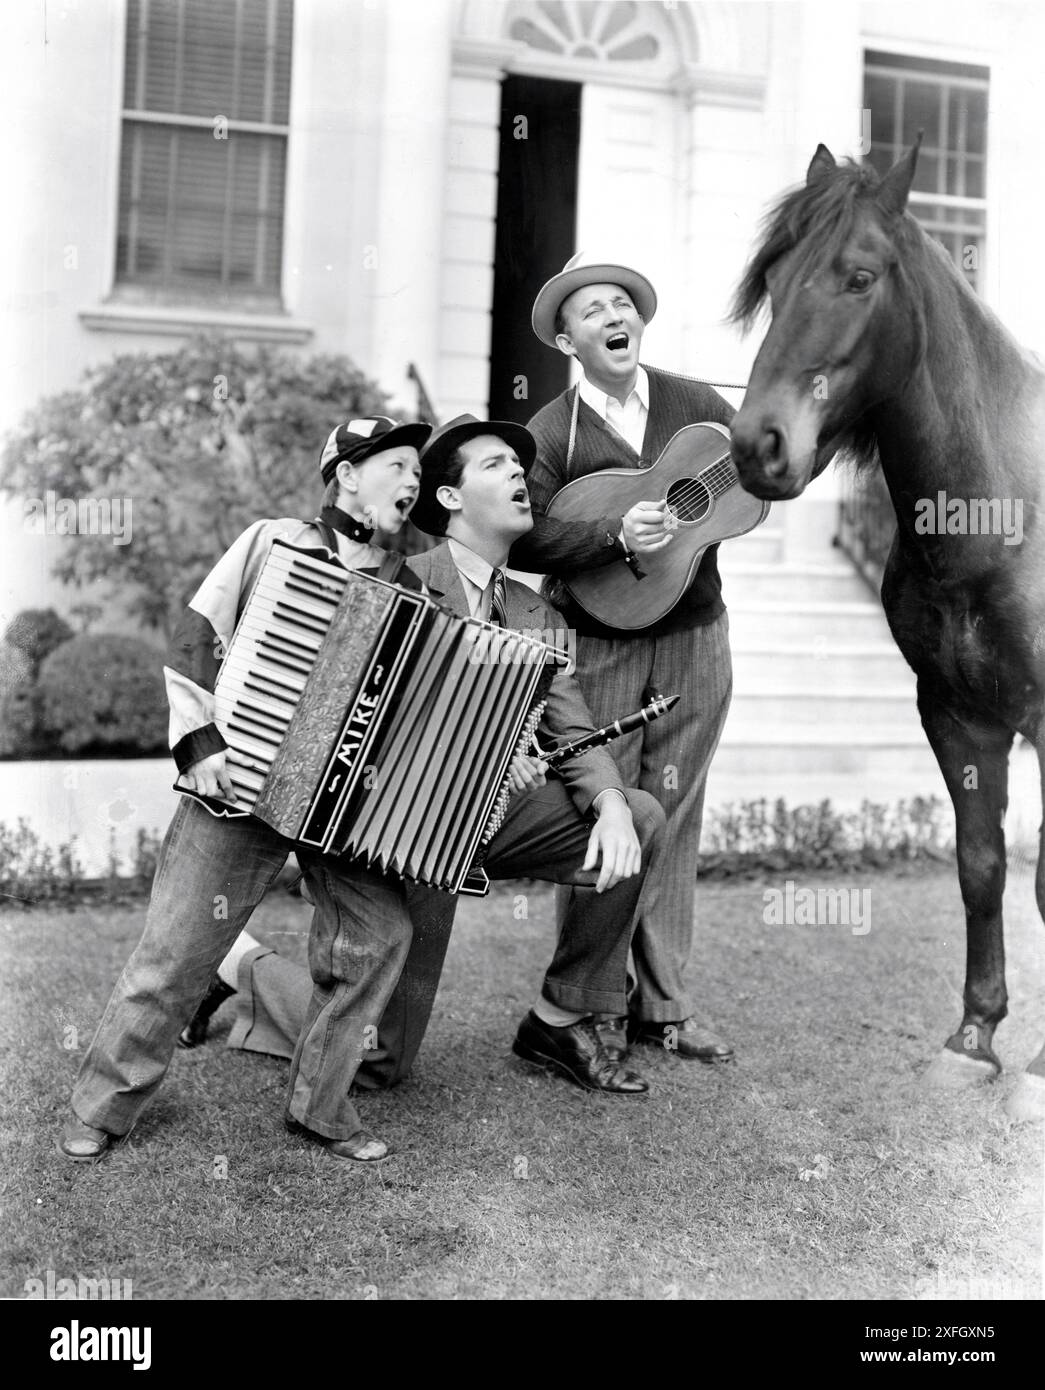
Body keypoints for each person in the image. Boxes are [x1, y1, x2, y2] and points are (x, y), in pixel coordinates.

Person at [59, 416, 438, 1165]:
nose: (411, 481)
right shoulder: (272, 540)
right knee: (176, 951)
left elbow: (419, 705)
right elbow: (198, 631)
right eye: (396, 466)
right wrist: (199, 743)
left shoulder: (415, 591)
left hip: (340, 812)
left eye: (418, 474)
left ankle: (319, 1108)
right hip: (240, 786)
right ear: (346, 474)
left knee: (380, 938)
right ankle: (105, 1106)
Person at [506, 251, 737, 1064]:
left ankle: (663, 1006)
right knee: (601, 814)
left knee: (674, 811)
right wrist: (612, 532)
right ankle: (587, 1003)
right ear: (567, 340)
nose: (612, 318)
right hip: (594, 644)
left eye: (620, 304)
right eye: (590, 310)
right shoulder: (549, 431)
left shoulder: (698, 407)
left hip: (693, 635)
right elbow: (524, 532)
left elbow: (756, 485)